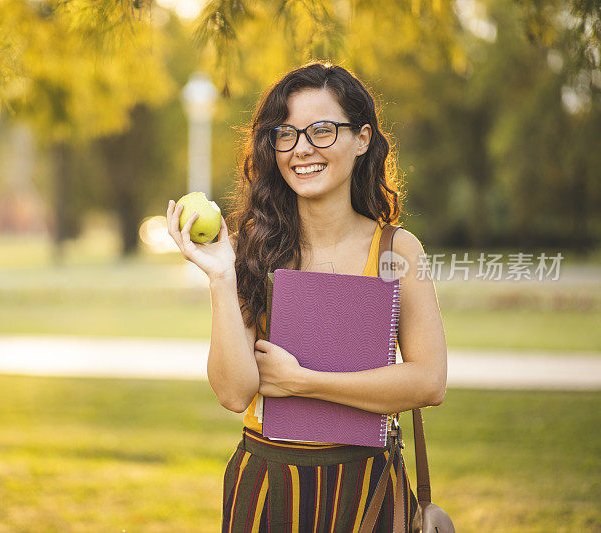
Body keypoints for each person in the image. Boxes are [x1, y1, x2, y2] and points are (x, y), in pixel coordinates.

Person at [166, 62, 447, 532]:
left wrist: (304, 381)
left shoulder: (396, 249)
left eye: (321, 131)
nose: (301, 150)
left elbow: (428, 382)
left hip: (367, 489)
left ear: (362, 139)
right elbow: (234, 393)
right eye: (287, 134)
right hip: (269, 484)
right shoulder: (257, 248)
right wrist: (220, 277)